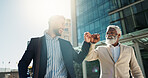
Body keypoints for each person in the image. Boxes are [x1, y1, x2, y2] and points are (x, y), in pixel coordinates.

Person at [18, 15, 91, 78]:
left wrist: (87, 43)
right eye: (62, 24)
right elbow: (23, 63)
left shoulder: (66, 44)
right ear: (52, 22)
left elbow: (79, 59)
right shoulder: (36, 43)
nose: (63, 27)